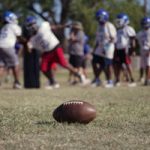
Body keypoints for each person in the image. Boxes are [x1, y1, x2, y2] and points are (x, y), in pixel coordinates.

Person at [25, 16, 87, 89]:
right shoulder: (32, 39)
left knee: (64, 64)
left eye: (31, 25)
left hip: (55, 47)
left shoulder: (43, 26)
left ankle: (79, 75)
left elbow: (54, 27)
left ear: (35, 23)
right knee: (43, 69)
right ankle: (53, 82)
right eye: (29, 26)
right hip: (46, 52)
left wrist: (64, 26)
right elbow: (30, 48)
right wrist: (27, 46)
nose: (31, 27)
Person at [91, 9, 117, 88]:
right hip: (100, 47)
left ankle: (109, 81)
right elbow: (97, 39)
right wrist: (94, 49)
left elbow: (113, 39)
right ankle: (97, 79)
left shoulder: (109, 25)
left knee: (107, 64)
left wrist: (106, 48)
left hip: (108, 47)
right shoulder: (99, 26)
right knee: (94, 62)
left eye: (99, 17)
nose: (98, 19)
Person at [0, 11, 22, 89]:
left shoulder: (3, 27)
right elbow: (19, 37)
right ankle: (17, 83)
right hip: (8, 46)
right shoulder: (13, 26)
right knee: (15, 64)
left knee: (1, 65)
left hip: (0, 46)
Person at [114, 13, 137, 87]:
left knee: (128, 64)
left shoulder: (129, 29)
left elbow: (133, 39)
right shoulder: (118, 30)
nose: (118, 22)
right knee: (117, 65)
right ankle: (117, 80)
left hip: (125, 49)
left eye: (119, 21)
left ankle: (132, 80)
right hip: (118, 49)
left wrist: (133, 50)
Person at [137, 17, 150, 86]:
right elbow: (137, 41)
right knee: (142, 65)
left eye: (145, 24)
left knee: (148, 65)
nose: (143, 25)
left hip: (148, 50)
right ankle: (142, 78)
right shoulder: (140, 33)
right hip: (142, 50)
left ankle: (147, 79)